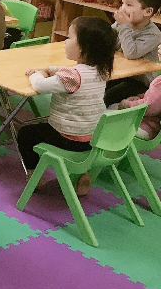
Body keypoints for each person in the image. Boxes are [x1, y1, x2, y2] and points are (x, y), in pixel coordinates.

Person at [17, 16, 117, 196]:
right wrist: (50, 69)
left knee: (25, 133)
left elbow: (40, 86)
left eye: (69, 37)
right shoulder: (101, 70)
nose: (65, 41)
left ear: (84, 47)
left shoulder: (72, 77)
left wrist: (36, 73)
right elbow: (68, 72)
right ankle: (82, 173)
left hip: (68, 139)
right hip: (92, 140)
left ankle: (33, 174)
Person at [105, 0, 161, 107]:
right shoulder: (122, 24)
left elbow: (131, 53)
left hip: (139, 82)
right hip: (119, 73)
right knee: (96, 87)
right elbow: (107, 41)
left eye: (129, 5)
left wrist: (124, 26)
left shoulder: (152, 33)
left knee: (108, 96)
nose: (123, 8)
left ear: (147, 11)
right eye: (122, 3)